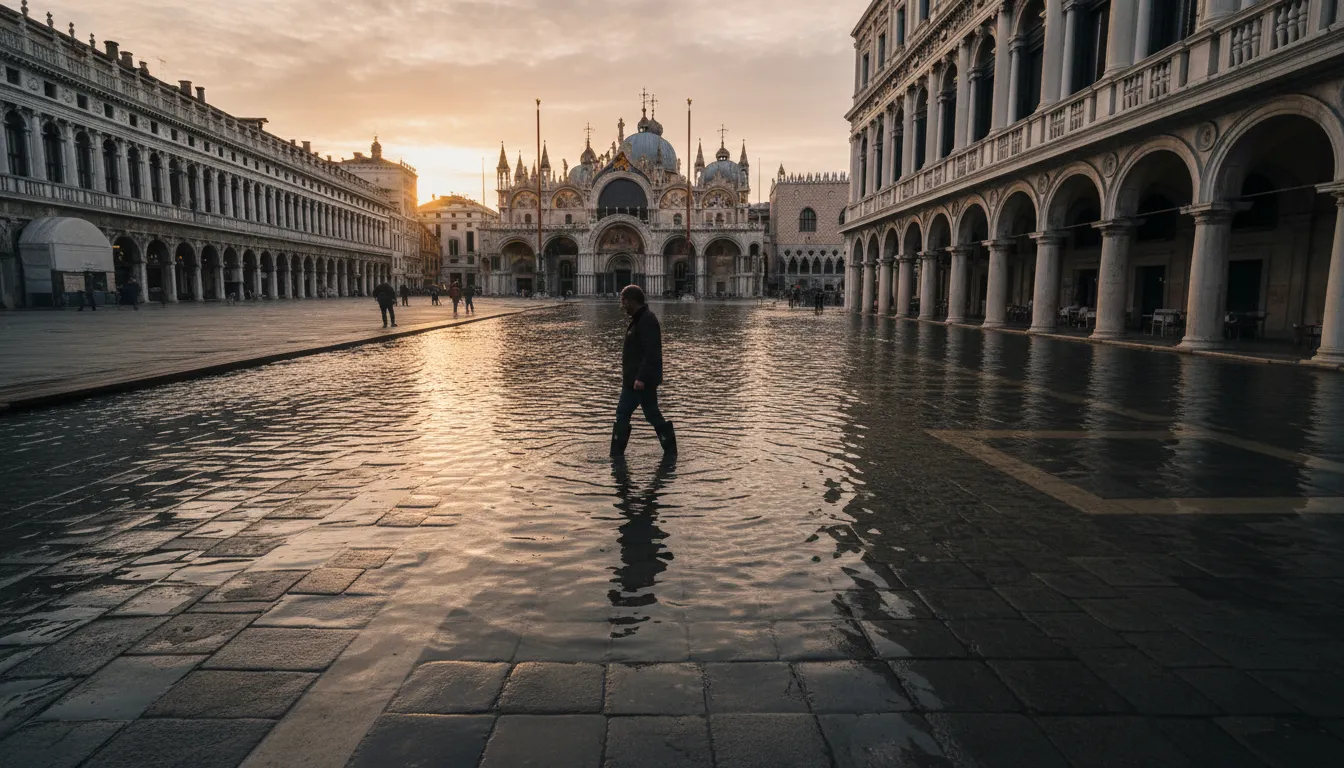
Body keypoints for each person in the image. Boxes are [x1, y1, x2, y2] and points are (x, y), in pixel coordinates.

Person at [612, 285, 676, 457]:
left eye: (624, 301)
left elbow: (651, 352)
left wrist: (641, 378)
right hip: (633, 381)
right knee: (645, 414)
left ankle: (617, 455)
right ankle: (670, 451)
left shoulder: (647, 319)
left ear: (633, 301)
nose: (622, 305)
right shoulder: (639, 319)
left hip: (640, 382)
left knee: (631, 413)